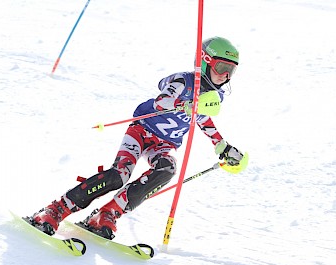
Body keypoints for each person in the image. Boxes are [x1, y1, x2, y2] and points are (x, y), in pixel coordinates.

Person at [30, 36, 248, 239]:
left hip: (165, 144)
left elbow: (203, 118)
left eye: (232, 71)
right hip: (142, 131)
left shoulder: (216, 95)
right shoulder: (184, 81)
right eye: (222, 68)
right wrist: (184, 104)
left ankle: (107, 214)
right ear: (205, 61)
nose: (225, 76)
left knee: (167, 170)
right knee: (119, 176)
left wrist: (221, 145)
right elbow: (161, 100)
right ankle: (57, 208)